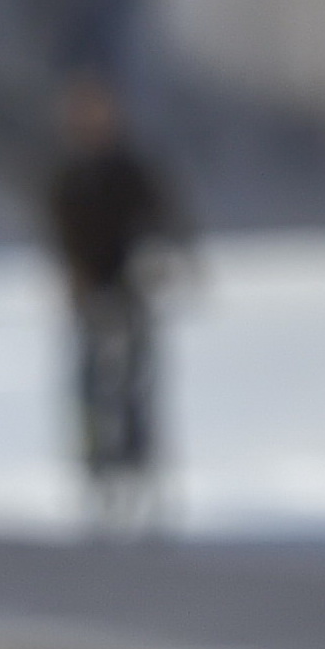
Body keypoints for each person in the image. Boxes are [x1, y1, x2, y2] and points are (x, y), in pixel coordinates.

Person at [41, 75, 192, 535]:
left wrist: (164, 261)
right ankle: (97, 474)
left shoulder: (131, 171)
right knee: (89, 390)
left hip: (131, 293)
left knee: (137, 389)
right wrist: (74, 279)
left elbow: (165, 220)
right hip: (91, 297)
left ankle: (140, 468)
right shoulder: (70, 175)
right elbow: (61, 236)